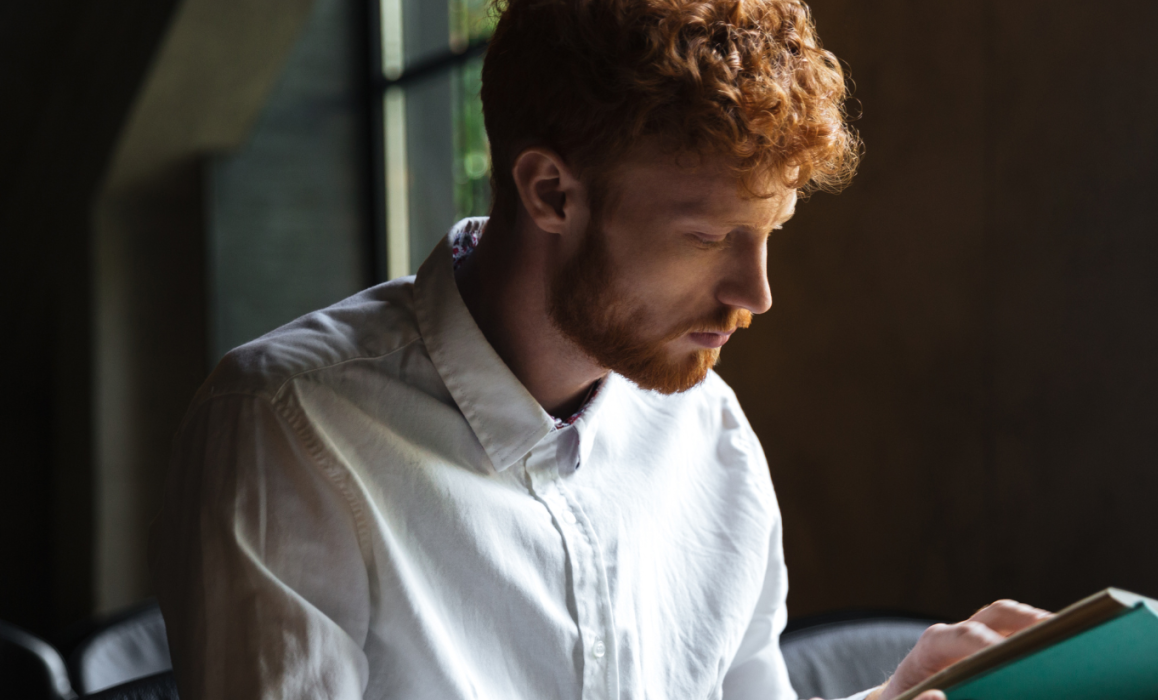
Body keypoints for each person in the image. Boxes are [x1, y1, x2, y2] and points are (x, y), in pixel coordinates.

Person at [151, 0, 1049, 698]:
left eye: (771, 233)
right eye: (707, 238)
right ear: (550, 193)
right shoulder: (286, 429)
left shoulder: (710, 434)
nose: (756, 294)